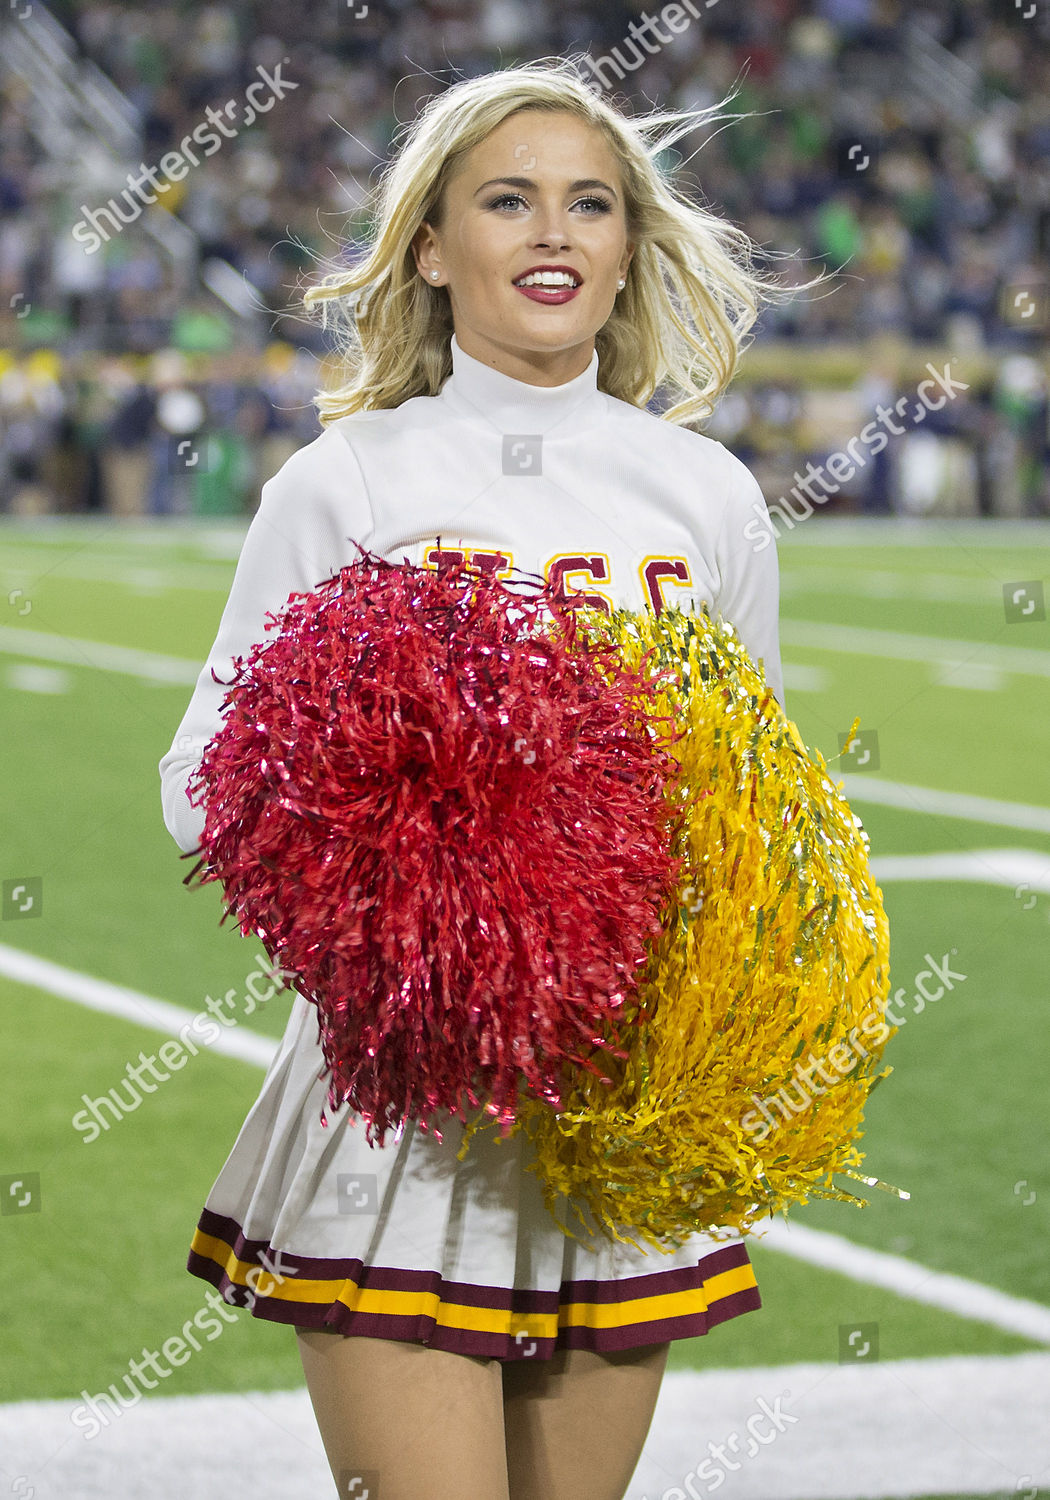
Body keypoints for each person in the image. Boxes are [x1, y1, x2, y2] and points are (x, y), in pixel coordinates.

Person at [159, 55, 791, 1500]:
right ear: (432, 250)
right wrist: (423, 896)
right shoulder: (348, 481)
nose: (553, 233)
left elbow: (750, 792)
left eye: (589, 204)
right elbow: (201, 779)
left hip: (617, 1102)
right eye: (507, 201)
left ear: (630, 246)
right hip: (407, 1108)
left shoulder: (706, 496)